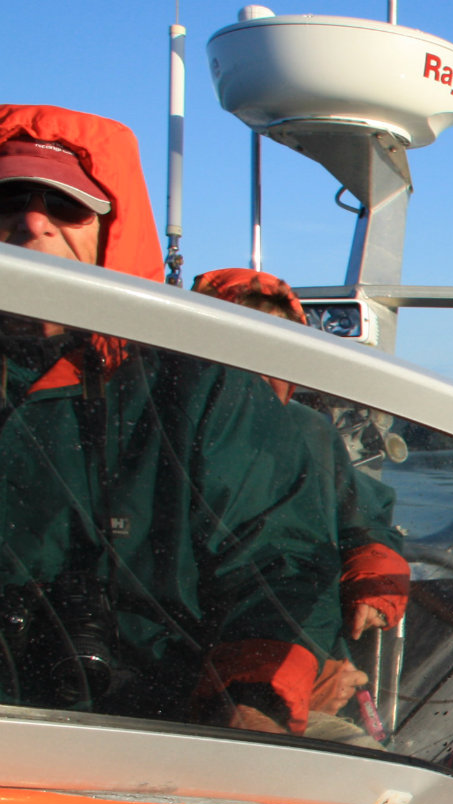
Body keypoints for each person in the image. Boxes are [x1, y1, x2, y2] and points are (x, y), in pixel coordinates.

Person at [0, 105, 343, 732]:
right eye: (7, 205)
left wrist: (253, 701)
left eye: (67, 208)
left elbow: (283, 562)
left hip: (175, 723)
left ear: (111, 230)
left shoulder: (200, 387)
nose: (31, 225)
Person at [191, 267, 412, 740]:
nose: (260, 364)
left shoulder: (310, 432)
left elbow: (362, 513)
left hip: (288, 674)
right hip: (214, 690)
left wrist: (374, 571)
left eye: (278, 343)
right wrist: (292, 683)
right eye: (240, 341)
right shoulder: (171, 433)